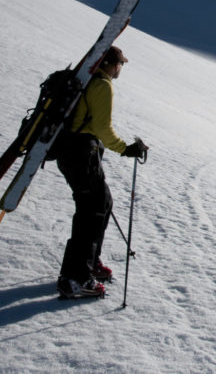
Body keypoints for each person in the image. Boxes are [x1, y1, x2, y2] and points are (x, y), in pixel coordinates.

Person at [56, 45, 148, 299]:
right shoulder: (102, 85)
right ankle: (75, 278)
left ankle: (89, 264)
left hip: (72, 152)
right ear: (109, 63)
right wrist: (126, 149)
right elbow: (101, 128)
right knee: (91, 212)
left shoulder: (87, 80)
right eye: (119, 64)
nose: (120, 68)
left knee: (102, 204)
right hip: (81, 154)